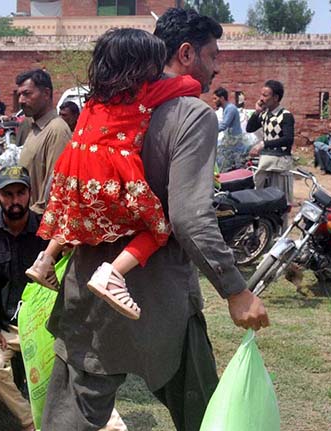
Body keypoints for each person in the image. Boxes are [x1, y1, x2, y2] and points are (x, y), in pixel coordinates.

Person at [33, 8, 269, 431]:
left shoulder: (99, 105)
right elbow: (189, 217)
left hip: (88, 279)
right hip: (158, 291)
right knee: (198, 400)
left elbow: (68, 190)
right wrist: (235, 290)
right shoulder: (190, 115)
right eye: (211, 56)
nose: (215, 69)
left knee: (76, 391)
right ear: (184, 54)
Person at [0, 166, 143, 431]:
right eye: (7, 194)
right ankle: (32, 423)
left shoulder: (49, 231)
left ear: (29, 195)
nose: (14, 200)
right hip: (6, 327)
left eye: (20, 193)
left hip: (45, 323)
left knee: (79, 374)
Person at [25, 28, 201, 321]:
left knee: (74, 216)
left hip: (73, 169)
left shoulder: (95, 97)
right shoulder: (144, 92)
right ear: (143, 65)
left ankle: (45, 260)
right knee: (157, 228)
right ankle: (113, 274)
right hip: (108, 170)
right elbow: (192, 84)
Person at [15, 69, 72, 212]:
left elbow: (56, 189)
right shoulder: (34, 127)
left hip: (39, 223)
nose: (21, 100)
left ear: (46, 94)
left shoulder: (57, 130)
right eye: (19, 95)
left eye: (27, 94)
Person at [246, 80, 295, 210]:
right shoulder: (264, 114)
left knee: (279, 200)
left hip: (279, 162)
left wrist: (263, 144)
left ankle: (280, 230)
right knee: (262, 197)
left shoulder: (285, 115)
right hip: (266, 160)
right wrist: (256, 112)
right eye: (261, 95)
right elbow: (249, 128)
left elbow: (288, 139)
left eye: (265, 95)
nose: (261, 99)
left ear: (276, 98)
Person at [213, 86, 248, 172]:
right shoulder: (226, 108)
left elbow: (224, 125)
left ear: (221, 98)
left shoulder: (230, 108)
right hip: (230, 141)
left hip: (234, 142)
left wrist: (210, 130)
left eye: (215, 98)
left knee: (234, 165)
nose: (214, 101)